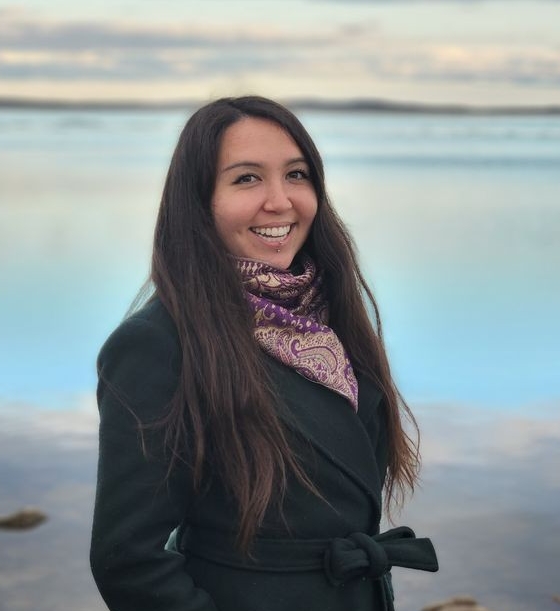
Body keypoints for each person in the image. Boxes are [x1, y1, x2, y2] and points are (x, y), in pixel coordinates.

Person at [90, 95, 438, 611]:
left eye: (296, 175)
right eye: (247, 178)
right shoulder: (157, 344)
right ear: (199, 201)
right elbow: (128, 561)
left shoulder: (330, 313)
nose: (280, 201)